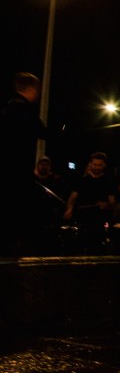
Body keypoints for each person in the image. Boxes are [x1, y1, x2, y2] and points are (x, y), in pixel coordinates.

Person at [0, 72, 46, 256]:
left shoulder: (7, 108)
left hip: (6, 171)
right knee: (18, 211)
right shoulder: (23, 110)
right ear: (33, 89)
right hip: (16, 173)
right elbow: (43, 132)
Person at [62, 152, 118, 255]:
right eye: (95, 164)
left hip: (98, 219)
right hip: (82, 217)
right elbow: (72, 198)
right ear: (90, 164)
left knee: (95, 247)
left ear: (104, 166)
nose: (97, 167)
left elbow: (113, 202)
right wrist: (69, 210)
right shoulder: (82, 180)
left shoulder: (108, 181)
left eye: (99, 165)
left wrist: (106, 205)